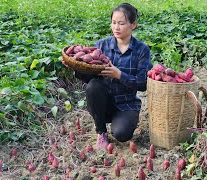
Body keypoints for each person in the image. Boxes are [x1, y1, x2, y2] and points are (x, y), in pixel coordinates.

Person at [62, 3, 153, 149]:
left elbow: (143, 84)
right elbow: (90, 77)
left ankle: (122, 123)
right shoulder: (101, 45)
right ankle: (101, 132)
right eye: (113, 22)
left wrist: (119, 75)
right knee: (94, 86)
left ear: (133, 24)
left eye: (121, 23)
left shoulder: (142, 50)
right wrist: (75, 67)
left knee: (122, 135)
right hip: (104, 102)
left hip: (126, 104)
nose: (116, 27)